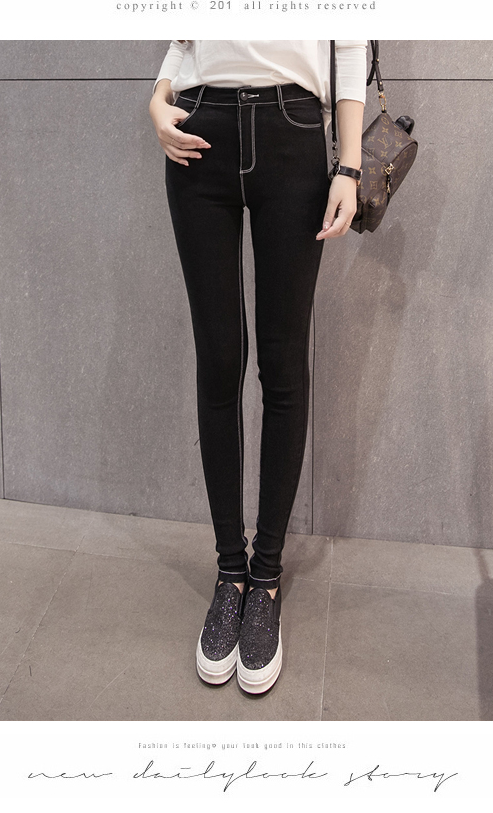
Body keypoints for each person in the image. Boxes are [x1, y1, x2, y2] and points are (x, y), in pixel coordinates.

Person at [149, 40, 367, 694]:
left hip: (292, 131)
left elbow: (350, 41)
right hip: (199, 134)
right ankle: (230, 573)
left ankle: (265, 579)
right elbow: (182, 37)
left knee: (282, 366)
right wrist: (156, 101)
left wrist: (350, 165)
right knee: (218, 363)